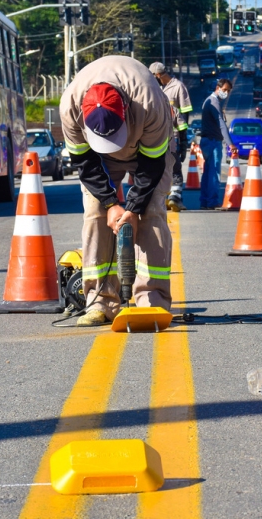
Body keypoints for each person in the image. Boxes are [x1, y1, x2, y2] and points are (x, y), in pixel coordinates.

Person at [60, 55, 174, 326]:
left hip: (148, 149)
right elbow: (85, 164)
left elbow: (151, 166)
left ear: (124, 109)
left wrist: (133, 209)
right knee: (94, 213)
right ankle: (99, 301)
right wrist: (111, 204)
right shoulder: (70, 108)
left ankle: (152, 301)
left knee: (152, 212)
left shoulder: (149, 101)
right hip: (100, 161)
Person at [149, 62, 191, 212]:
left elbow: (185, 113)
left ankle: (175, 199)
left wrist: (184, 140)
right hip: (160, 137)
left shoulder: (178, 87)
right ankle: (172, 198)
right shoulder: (156, 88)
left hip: (173, 136)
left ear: (158, 75)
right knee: (170, 169)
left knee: (173, 168)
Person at [199, 78, 237, 210]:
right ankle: (212, 201)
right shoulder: (214, 101)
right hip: (212, 141)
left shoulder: (209, 101)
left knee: (208, 172)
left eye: (228, 91)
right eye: (224, 89)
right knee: (214, 173)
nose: (226, 93)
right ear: (218, 87)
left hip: (207, 140)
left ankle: (205, 201)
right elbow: (221, 123)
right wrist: (230, 143)